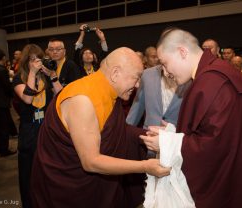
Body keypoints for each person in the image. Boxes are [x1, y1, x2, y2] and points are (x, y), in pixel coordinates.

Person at [140, 28, 242, 207]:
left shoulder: (211, 81)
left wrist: (167, 142)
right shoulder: (214, 73)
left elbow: (215, 147)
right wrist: (171, 132)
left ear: (182, 52)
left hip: (239, 186)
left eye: (165, 63)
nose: (165, 72)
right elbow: (214, 133)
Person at [30, 47, 170, 208]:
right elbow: (91, 162)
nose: (138, 85)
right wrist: (145, 166)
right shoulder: (82, 100)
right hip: (70, 191)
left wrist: (148, 134)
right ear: (115, 73)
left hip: (97, 187)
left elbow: (117, 130)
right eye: (136, 78)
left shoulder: (107, 90)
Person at [13, 44, 62, 208]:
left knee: (48, 172)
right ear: (26, 61)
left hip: (47, 131)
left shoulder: (45, 77)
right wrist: (33, 73)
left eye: (39, 59)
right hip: (30, 132)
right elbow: (27, 99)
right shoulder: (19, 78)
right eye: (33, 60)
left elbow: (62, 95)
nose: (36, 63)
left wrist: (53, 75)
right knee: (28, 174)